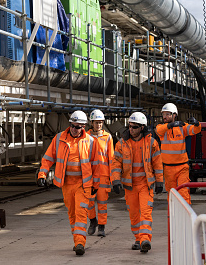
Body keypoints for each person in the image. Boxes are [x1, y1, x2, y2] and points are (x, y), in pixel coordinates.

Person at [37, 110, 100, 256]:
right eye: (72, 125)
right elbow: (48, 158)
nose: (74, 129)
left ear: (83, 127)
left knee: (80, 213)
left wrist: (95, 186)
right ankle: (76, 240)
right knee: (72, 214)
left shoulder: (91, 142)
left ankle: (80, 243)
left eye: (78, 127)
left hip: (83, 185)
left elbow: (96, 166)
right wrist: (42, 174)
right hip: (66, 185)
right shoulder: (59, 139)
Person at [111, 112, 163, 253]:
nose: (131, 129)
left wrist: (159, 181)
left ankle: (145, 239)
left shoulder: (151, 143)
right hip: (130, 186)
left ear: (142, 127)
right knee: (134, 215)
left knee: (145, 213)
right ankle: (138, 238)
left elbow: (157, 163)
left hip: (146, 185)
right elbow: (116, 163)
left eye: (134, 127)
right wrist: (115, 180)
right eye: (130, 126)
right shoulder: (122, 144)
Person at [155, 102, 201, 205]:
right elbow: (158, 130)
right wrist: (171, 125)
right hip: (168, 168)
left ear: (174, 115)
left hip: (182, 167)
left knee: (184, 192)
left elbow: (195, 130)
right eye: (163, 114)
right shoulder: (161, 128)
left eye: (167, 114)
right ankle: (173, 216)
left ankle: (186, 216)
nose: (165, 116)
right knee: (171, 194)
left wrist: (197, 123)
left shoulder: (182, 127)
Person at [86, 109, 114, 237]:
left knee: (102, 202)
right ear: (91, 123)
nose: (98, 125)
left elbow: (111, 158)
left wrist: (113, 177)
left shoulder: (107, 137)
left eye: (101, 122)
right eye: (96, 122)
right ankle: (93, 221)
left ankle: (102, 226)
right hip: (90, 175)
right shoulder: (86, 136)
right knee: (89, 201)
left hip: (103, 176)